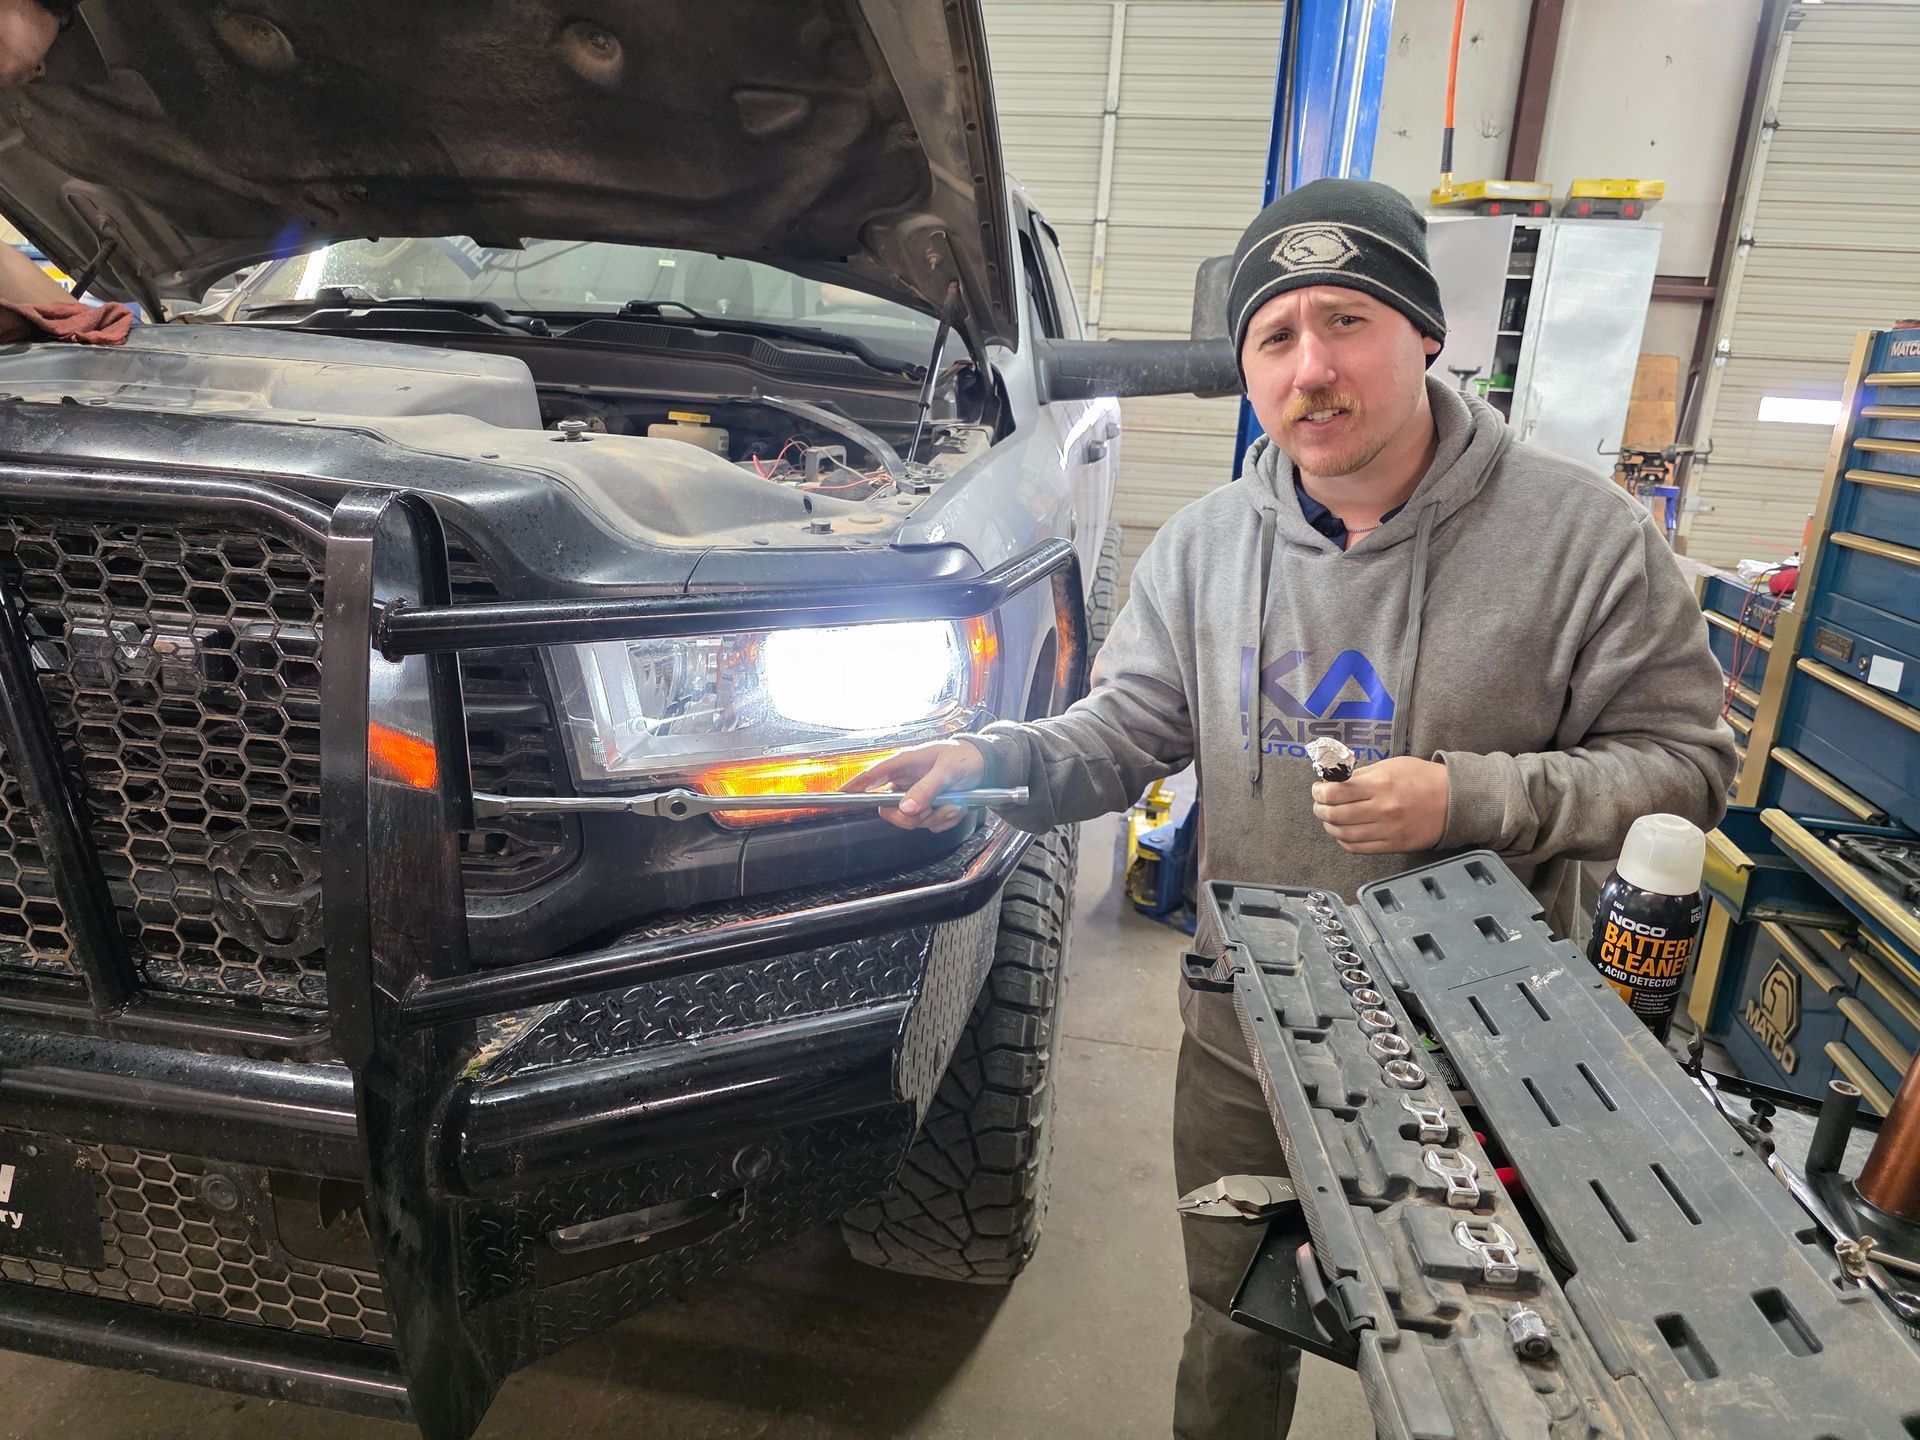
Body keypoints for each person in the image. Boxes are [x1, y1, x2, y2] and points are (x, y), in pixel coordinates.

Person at [849, 177, 1736, 1439]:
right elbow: (1126, 734)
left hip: (1483, 1043)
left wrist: (1470, 796)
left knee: (1474, 1359)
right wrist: (992, 759)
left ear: (1426, 334)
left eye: (1347, 321)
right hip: (1245, 1028)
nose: (1311, 366)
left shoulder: (1584, 541)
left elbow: (1688, 772)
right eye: (1276, 336)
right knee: (1232, 1320)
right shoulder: (1206, 548)